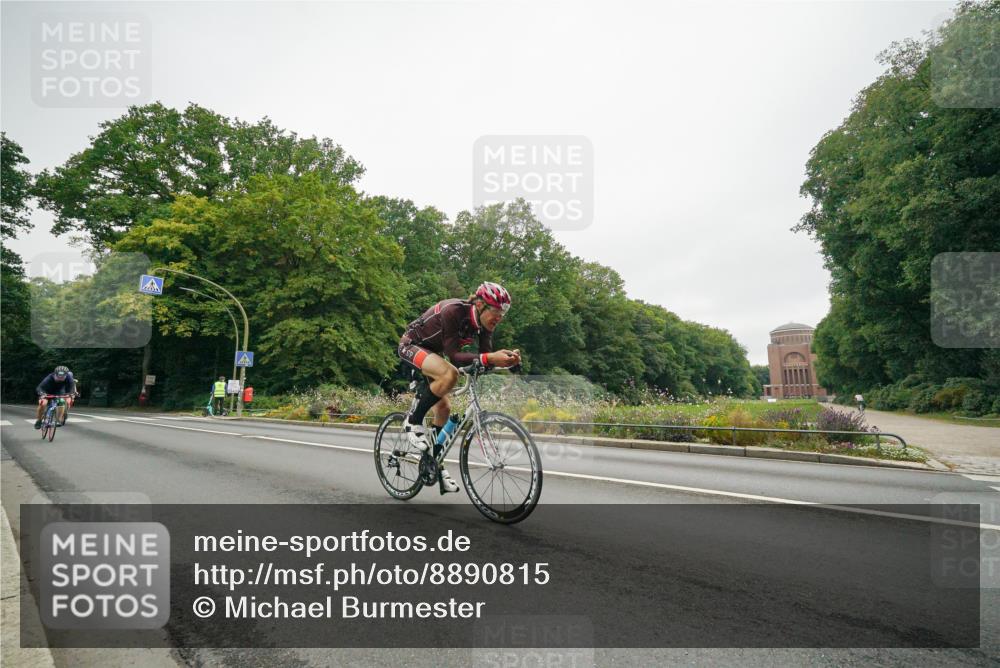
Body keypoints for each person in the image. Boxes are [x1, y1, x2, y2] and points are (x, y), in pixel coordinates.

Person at [397, 282, 521, 493]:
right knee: (450, 373)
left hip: (434, 355)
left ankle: (435, 465)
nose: (499, 318)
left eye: (503, 313)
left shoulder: (484, 327)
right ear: (480, 304)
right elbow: (454, 355)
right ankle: (413, 421)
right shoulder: (454, 311)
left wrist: (508, 362)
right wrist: (490, 357)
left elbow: (483, 361)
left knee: (444, 408)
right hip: (412, 345)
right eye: (496, 311)